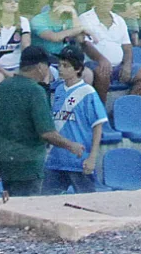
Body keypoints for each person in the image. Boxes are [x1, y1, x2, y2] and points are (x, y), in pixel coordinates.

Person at [0, 43, 75, 196]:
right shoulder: (36, 91)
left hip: (4, 161)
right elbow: (46, 133)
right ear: (40, 67)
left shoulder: (0, 88)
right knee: (27, 210)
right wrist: (71, 146)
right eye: (47, 65)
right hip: (29, 165)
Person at [42, 46, 106, 194]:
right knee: (47, 203)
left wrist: (92, 157)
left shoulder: (88, 92)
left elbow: (98, 126)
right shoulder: (58, 90)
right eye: (59, 65)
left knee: (87, 203)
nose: (61, 69)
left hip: (79, 161)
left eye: (66, 66)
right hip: (55, 160)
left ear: (78, 69)